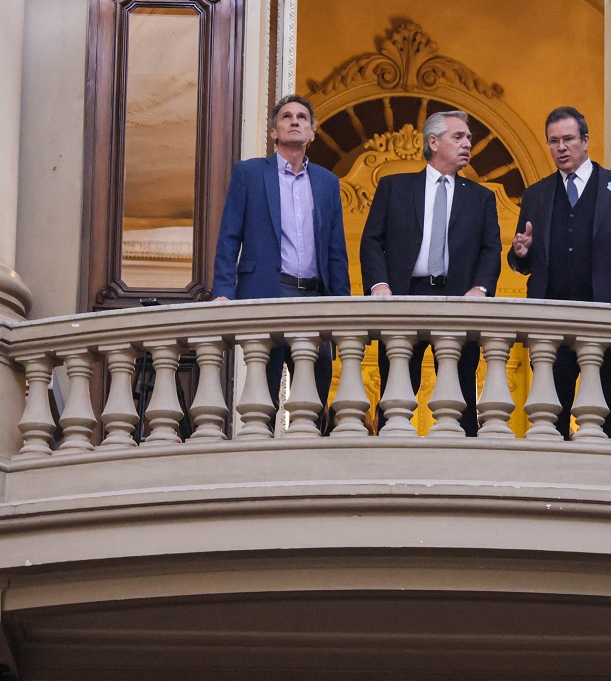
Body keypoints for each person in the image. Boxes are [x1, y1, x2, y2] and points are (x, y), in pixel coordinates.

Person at [507, 106, 611, 439]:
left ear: (585, 141)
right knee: (549, 414)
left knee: (610, 409)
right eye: (554, 141)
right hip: (550, 323)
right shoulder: (536, 195)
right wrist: (520, 253)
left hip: (605, 319)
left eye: (568, 139)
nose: (561, 147)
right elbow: (522, 263)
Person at [359, 109, 501, 432]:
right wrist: (379, 284)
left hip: (458, 301)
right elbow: (371, 241)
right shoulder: (394, 187)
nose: (467, 143)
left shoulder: (481, 198)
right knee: (396, 392)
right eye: (459, 137)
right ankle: (391, 466)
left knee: (462, 391)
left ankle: (461, 469)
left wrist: (480, 288)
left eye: (469, 138)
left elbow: (491, 249)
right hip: (404, 299)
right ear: (433, 142)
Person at [212, 94, 347, 408]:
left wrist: (344, 306)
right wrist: (223, 289)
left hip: (316, 300)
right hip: (266, 294)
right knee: (263, 399)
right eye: (287, 117)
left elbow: (336, 250)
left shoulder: (328, 182)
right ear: (274, 132)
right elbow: (229, 236)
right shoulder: (249, 174)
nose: (295, 121)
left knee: (314, 401)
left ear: (312, 132)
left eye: (302, 117)